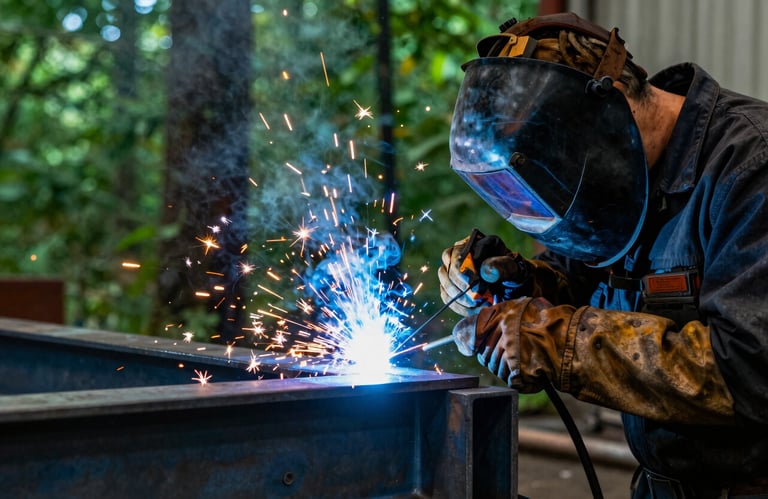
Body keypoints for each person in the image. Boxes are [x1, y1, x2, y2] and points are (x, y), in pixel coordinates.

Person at [438, 12, 768, 498]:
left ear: (609, 104)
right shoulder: (620, 187)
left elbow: (748, 370)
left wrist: (559, 342)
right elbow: (583, 278)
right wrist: (521, 285)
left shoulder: (751, 168)